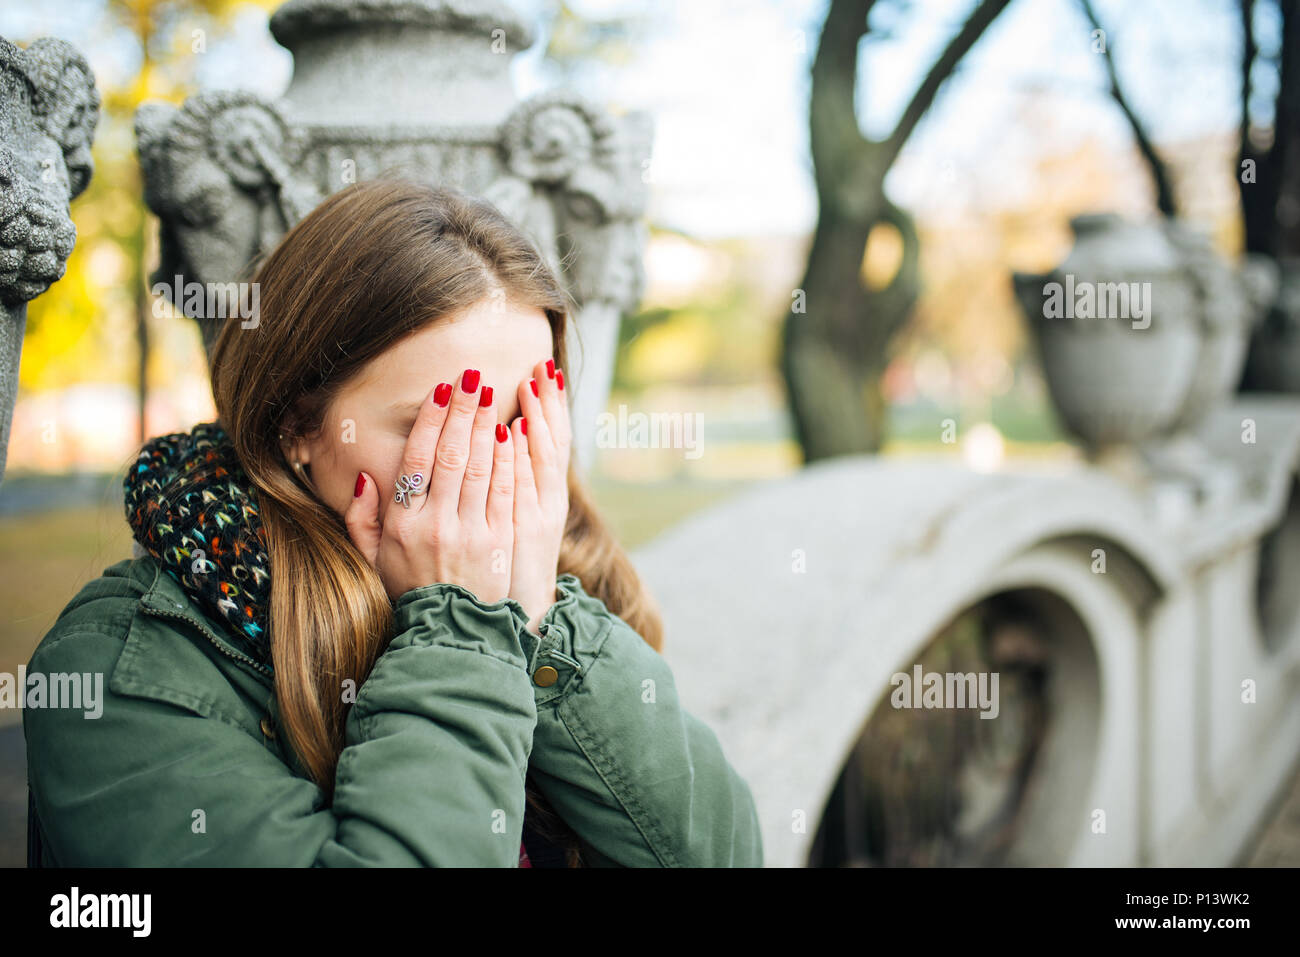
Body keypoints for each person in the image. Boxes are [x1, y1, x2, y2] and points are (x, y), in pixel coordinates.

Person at [23, 177, 763, 867]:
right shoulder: (121, 669)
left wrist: (535, 623)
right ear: (297, 425)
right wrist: (463, 629)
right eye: (436, 425)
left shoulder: (558, 582)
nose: (485, 469)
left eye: (517, 425)